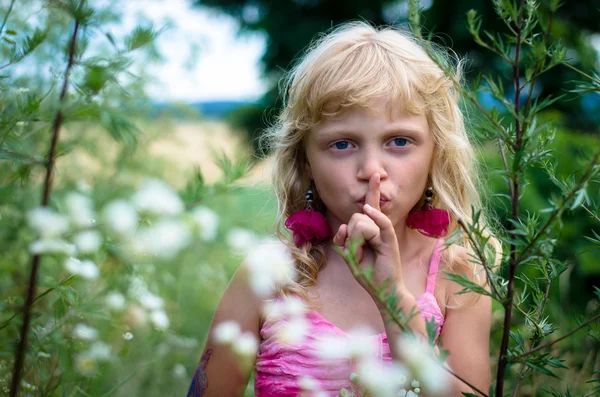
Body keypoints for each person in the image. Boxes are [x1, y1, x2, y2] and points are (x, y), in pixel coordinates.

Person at [188, 21, 497, 397]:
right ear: (305, 162)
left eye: (399, 141)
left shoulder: (459, 274)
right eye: (342, 144)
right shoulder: (269, 275)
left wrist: (390, 295)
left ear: (437, 154)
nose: (372, 170)